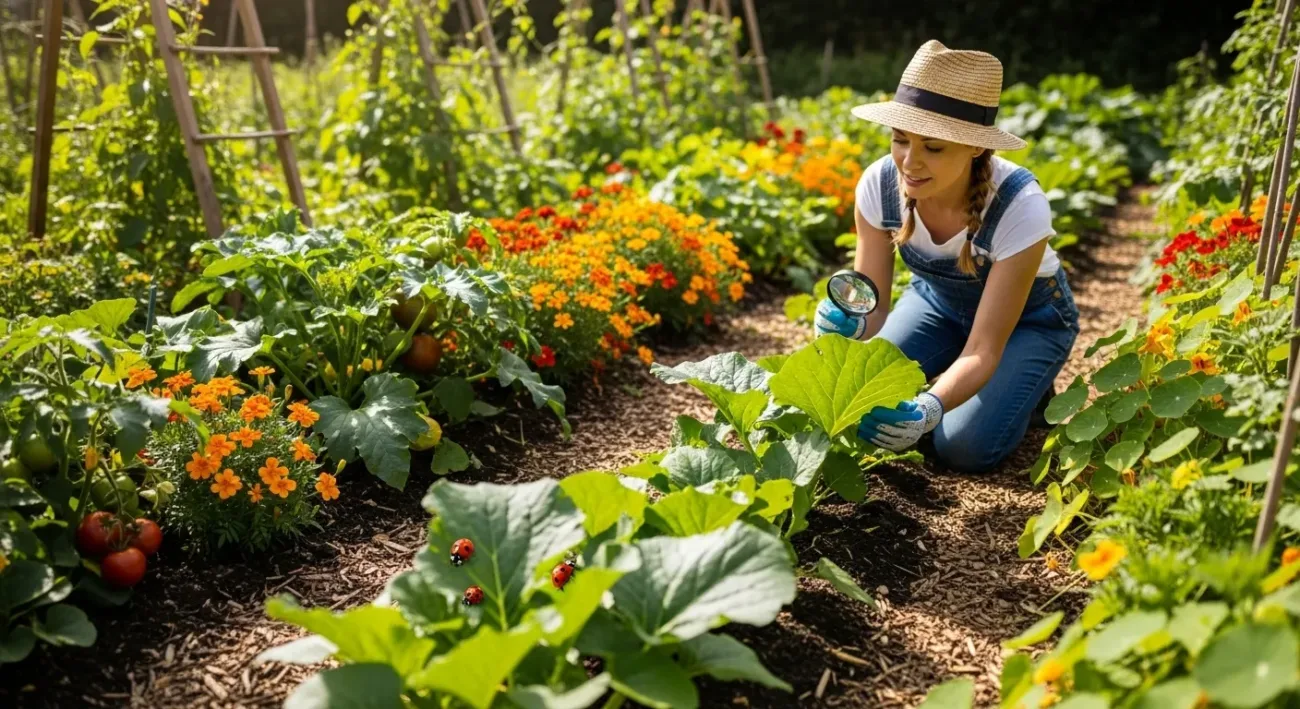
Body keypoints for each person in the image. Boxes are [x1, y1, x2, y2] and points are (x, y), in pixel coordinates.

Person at [814, 40, 1080, 474]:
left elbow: (984, 347)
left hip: (1028, 323)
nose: (909, 162)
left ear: (975, 147)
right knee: (860, 390)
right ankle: (976, 380)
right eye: (900, 140)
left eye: (933, 147)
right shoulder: (879, 186)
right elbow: (873, 307)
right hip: (937, 307)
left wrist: (929, 408)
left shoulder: (1019, 205)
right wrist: (849, 323)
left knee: (961, 445)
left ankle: (1027, 391)